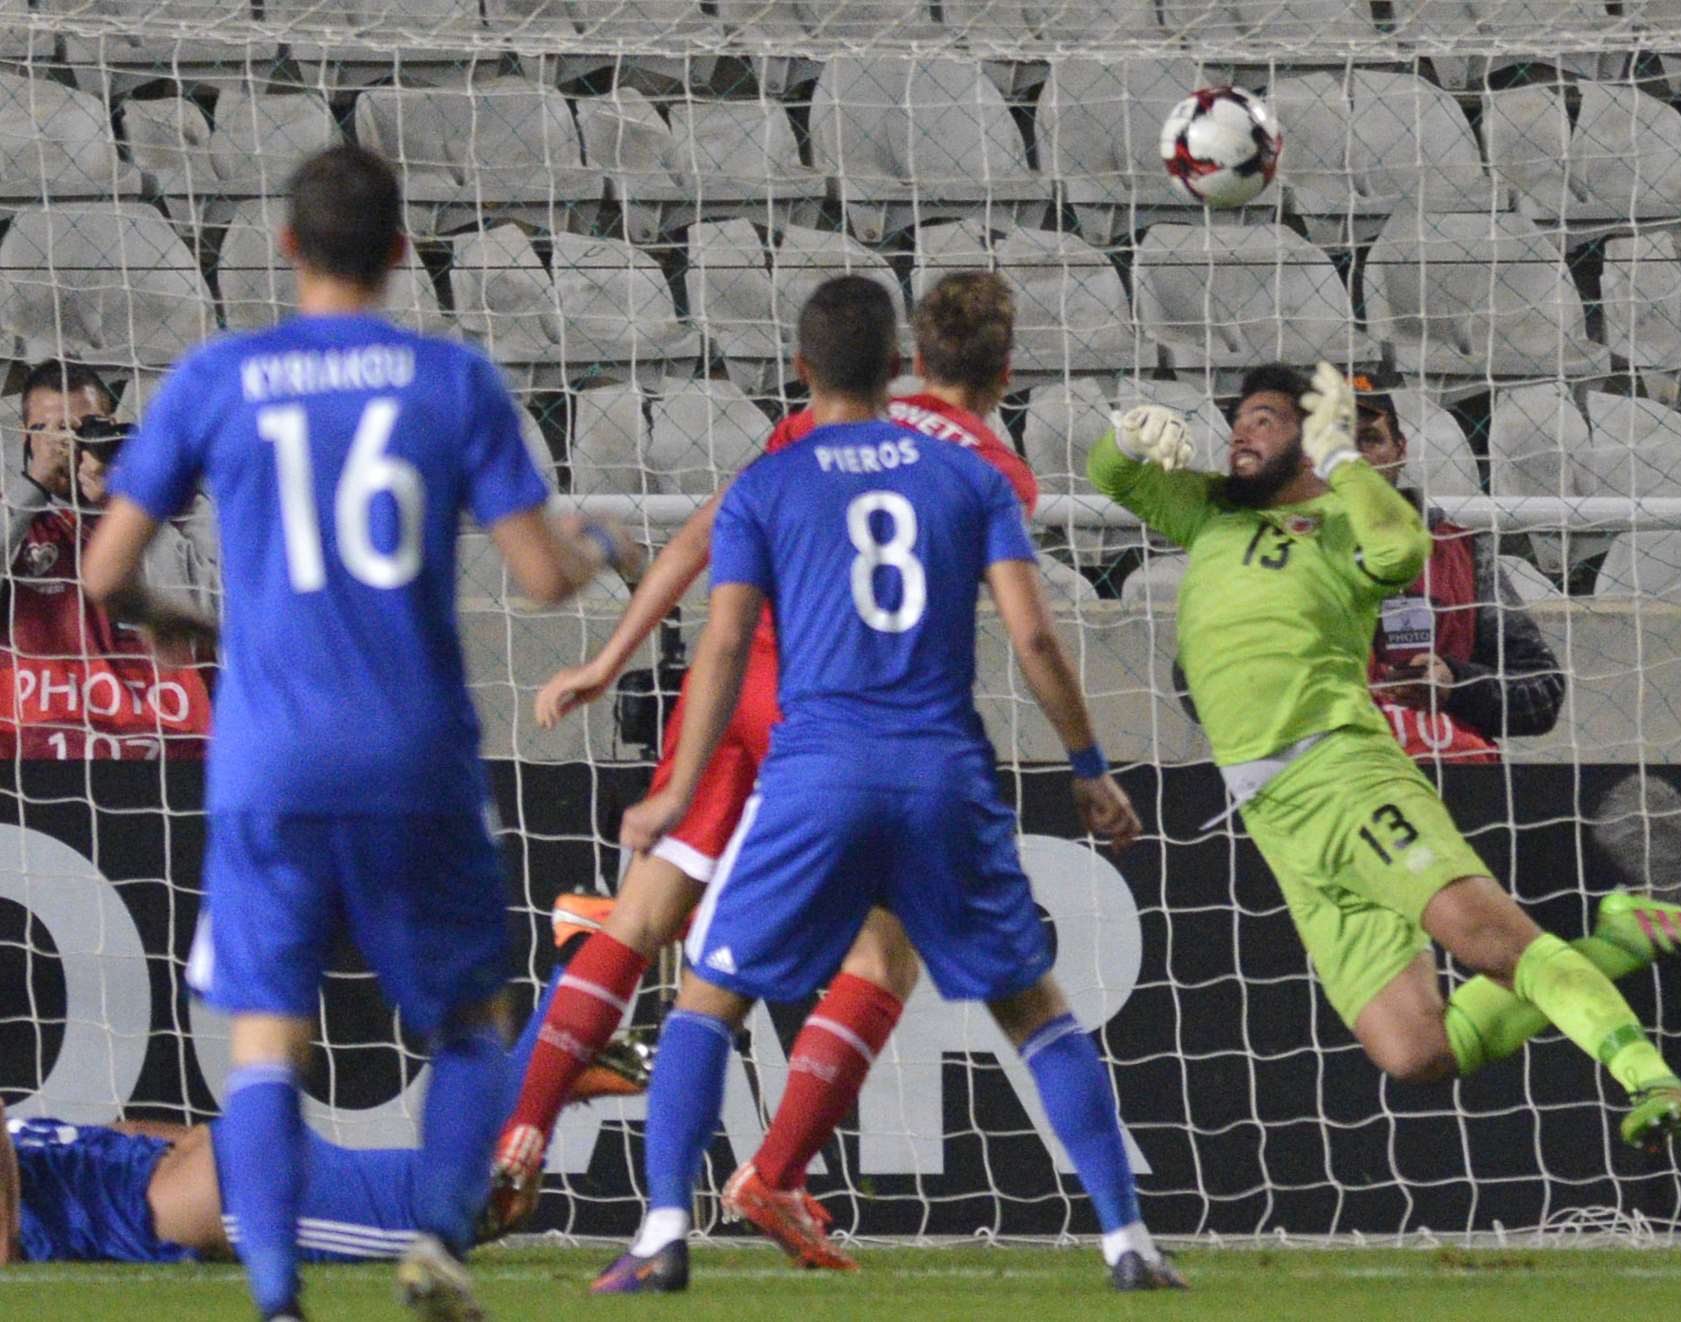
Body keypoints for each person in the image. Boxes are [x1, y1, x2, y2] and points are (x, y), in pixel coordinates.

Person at [79, 144, 635, 1322]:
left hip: (269, 760)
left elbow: (104, 569)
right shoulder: (451, 381)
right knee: (469, 1024)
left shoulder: (220, 376)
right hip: (414, 756)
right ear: (399, 252)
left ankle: (279, 1301)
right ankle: (437, 1241)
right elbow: (538, 575)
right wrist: (597, 538)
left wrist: (170, 615)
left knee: (271, 1038)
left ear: (285, 249)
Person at [589, 274, 1179, 1295]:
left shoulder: (771, 481)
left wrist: (678, 789)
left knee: (707, 995)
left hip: (816, 772)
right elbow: (1035, 635)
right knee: (1035, 1007)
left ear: (804, 370)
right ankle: (1128, 1240)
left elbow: (725, 644)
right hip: (942, 771)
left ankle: (664, 1227)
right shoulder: (974, 479)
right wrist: (1089, 767)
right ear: (896, 363)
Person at [496, 272, 1039, 1271]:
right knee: (881, 953)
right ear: (1001, 370)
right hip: (832, 715)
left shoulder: (808, 431)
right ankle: (773, 1170)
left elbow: (704, 535)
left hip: (731, 680)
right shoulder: (988, 470)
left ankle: (521, 1132)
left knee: (643, 914)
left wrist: (609, 659)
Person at [1088, 362, 1681, 1150]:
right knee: (1416, 1052)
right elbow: (1112, 473)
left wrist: (1341, 458)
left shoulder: (1341, 519)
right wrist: (1129, 432)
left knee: (1496, 945)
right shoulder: (1207, 513)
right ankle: (1620, 938)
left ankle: (1650, 1078)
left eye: (1265, 418)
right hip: (1274, 816)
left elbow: (1402, 547)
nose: (1241, 430)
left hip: (1342, 771)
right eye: (1238, 417)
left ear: (1309, 439)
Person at [0, 967, 646, 1267]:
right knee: (474, 1180)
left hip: (230, 1196)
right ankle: (562, 1062)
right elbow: (123, 1135)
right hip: (217, 1165)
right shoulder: (26, 1137)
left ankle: (584, 957)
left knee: (484, 1203)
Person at [1348, 370, 1566, 762]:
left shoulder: (1463, 551)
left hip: (1451, 780)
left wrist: (1456, 683)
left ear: (1400, 449)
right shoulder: (1274, 553)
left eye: (1370, 439)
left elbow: (1543, 693)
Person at [2, 359, 214, 760]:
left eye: (85, 427)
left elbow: (211, 604)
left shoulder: (169, 507)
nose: (68, 442)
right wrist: (33, 487)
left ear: (111, 427)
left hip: (169, 748)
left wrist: (127, 503)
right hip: (35, 753)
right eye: (47, 429)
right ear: (26, 439)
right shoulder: (14, 517)